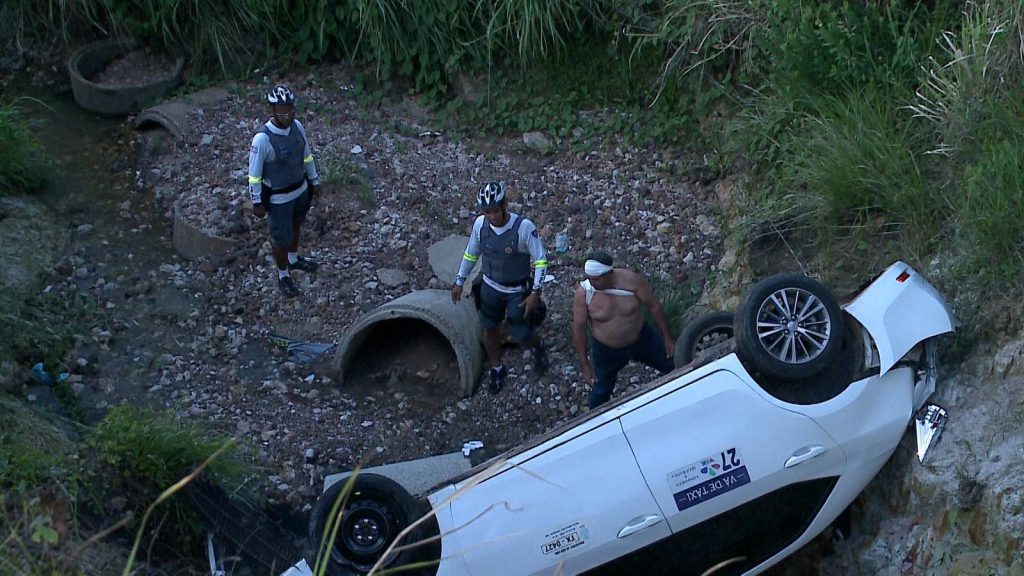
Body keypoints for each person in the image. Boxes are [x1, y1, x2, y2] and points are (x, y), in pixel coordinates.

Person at [451, 182, 549, 393]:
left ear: (505, 205)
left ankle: (537, 345)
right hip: (490, 288)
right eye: (488, 212)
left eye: (496, 210)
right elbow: (471, 254)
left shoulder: (524, 228)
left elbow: (540, 260)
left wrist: (535, 293)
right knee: (490, 329)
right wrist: (460, 281)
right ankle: (497, 367)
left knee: (521, 333)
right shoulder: (480, 225)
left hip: (517, 291)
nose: (492, 216)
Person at [572, 251, 676, 409]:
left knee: (674, 365)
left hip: (641, 339)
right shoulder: (584, 294)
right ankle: (596, 426)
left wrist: (667, 337)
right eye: (590, 279)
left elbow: (653, 306)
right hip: (606, 350)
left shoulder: (631, 281)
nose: (593, 283)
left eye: (597, 279)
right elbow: (579, 329)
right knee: (600, 392)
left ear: (609, 273)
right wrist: (585, 365)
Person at [247, 85, 322, 298]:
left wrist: (314, 180)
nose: (286, 114)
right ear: (273, 110)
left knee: (296, 225)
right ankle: (282, 275)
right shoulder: (262, 140)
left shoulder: (298, 127)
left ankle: (293, 258)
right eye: (281, 109)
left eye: (289, 108)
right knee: (281, 237)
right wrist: (257, 201)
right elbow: (254, 175)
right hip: (279, 197)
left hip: (300, 189)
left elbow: (306, 154)